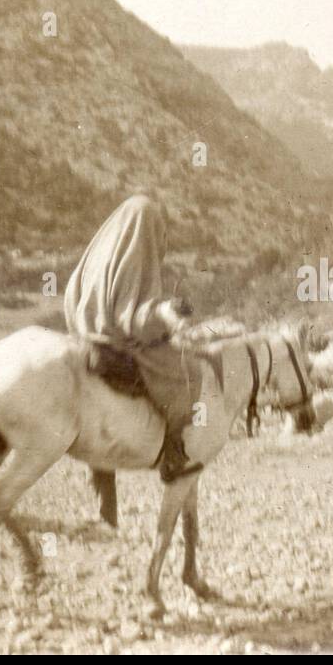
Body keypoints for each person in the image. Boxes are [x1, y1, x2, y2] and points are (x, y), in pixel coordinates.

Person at [63, 194, 199, 486]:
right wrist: (165, 317)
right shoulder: (136, 255)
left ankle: (101, 468)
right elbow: (134, 322)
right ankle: (173, 451)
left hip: (82, 333)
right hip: (113, 341)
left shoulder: (104, 251)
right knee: (187, 374)